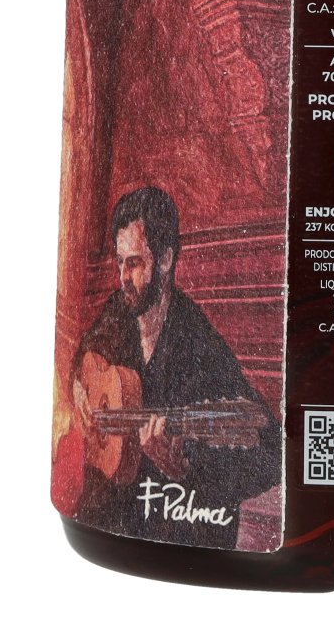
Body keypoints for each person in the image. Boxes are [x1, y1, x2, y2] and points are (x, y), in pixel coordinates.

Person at [71, 185, 281, 548]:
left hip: (167, 522)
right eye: (119, 262)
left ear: (166, 259)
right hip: (112, 512)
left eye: (134, 263)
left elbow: (270, 454)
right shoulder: (119, 308)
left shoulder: (198, 343)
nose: (122, 277)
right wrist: (79, 388)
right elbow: (84, 356)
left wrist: (185, 466)